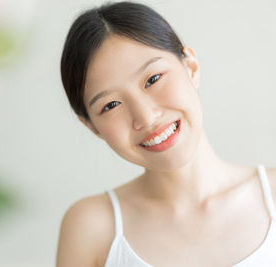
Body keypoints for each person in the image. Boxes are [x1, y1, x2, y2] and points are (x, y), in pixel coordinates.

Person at [56, 2, 276, 267]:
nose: (146, 118)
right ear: (92, 126)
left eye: (153, 79)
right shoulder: (92, 228)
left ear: (191, 67)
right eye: (111, 105)